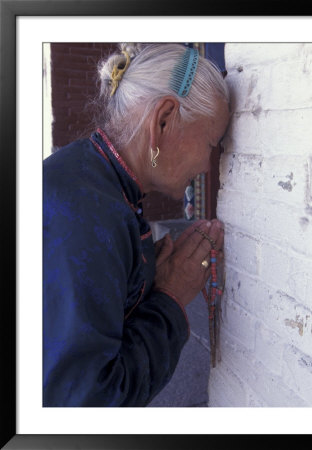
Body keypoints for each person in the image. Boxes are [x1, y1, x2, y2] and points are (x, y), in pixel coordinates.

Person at [43, 43, 230, 406]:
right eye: (211, 143)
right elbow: (87, 404)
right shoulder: (87, 215)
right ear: (163, 121)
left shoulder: (91, 178)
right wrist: (171, 299)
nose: (208, 165)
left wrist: (141, 291)